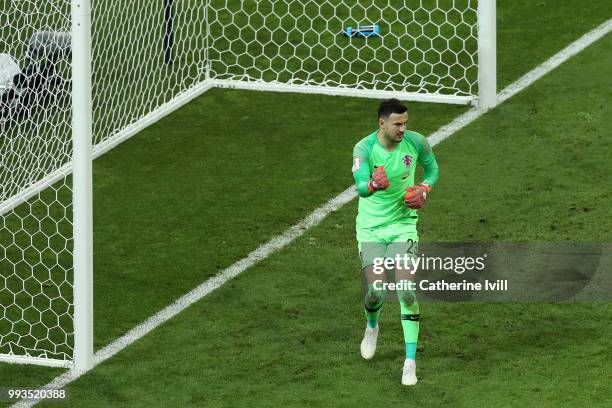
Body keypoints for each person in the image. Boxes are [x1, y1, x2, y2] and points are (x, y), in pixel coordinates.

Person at [351, 98, 439, 385]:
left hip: (403, 225)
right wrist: (374, 185)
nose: (403, 128)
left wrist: (424, 188)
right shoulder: (363, 149)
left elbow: (433, 170)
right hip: (372, 229)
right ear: (382, 123)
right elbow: (362, 188)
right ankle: (372, 326)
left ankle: (409, 362)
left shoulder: (417, 143)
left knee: (406, 292)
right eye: (397, 124)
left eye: (405, 123)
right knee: (376, 292)